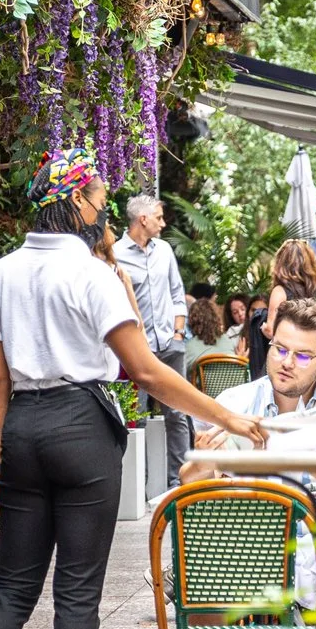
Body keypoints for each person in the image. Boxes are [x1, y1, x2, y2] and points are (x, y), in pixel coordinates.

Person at [0, 150, 268, 629]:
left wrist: (7, 448)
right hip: (81, 425)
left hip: (26, 427)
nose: (104, 212)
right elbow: (146, 371)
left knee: (12, 587)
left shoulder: (3, 271)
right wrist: (228, 419)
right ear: (74, 203)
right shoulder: (90, 275)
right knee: (78, 593)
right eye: (97, 200)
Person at [113, 193, 193, 480]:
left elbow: (176, 294)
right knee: (137, 419)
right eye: (159, 217)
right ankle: (141, 485)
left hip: (170, 344)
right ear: (142, 220)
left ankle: (179, 480)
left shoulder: (164, 251)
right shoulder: (115, 254)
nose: (163, 222)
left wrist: (178, 332)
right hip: (137, 351)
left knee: (178, 414)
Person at [198, 299, 316, 445]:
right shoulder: (233, 405)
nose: (287, 363)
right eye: (280, 349)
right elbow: (191, 467)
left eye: (303, 356)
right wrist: (204, 466)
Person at [254, 238, 316, 379]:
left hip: (287, 362)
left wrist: (263, 327)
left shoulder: (280, 291)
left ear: (281, 263)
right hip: (312, 359)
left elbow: (272, 331)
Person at [182, 295, 237, 370]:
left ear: (191, 321)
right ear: (216, 318)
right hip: (234, 382)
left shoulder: (188, 348)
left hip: (202, 382)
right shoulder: (228, 341)